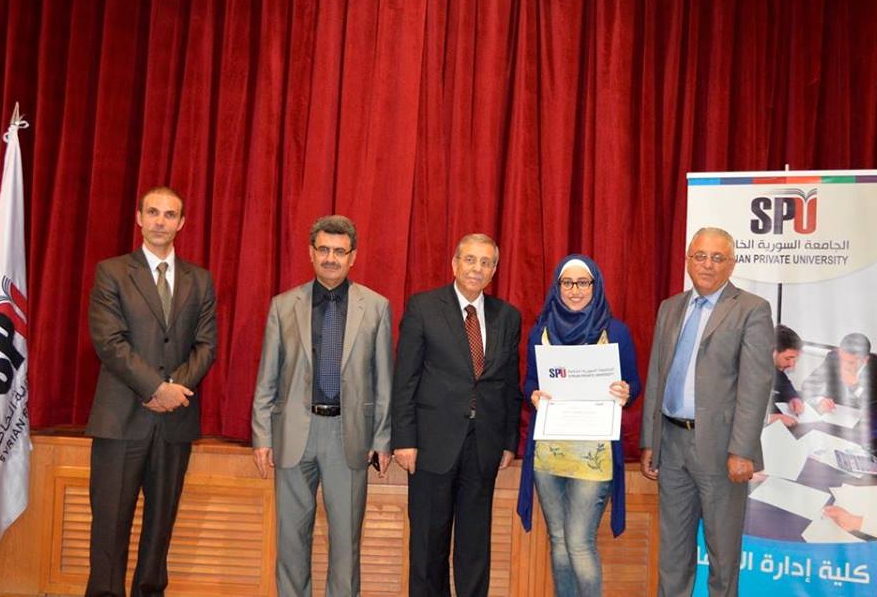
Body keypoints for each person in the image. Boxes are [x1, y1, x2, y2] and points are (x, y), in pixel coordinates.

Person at [250, 215, 392, 597]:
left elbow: (383, 380)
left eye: (339, 251)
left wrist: (382, 438)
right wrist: (261, 435)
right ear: (311, 253)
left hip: (349, 436)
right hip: (294, 434)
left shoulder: (376, 307)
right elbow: (267, 377)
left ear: (353, 257)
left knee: (346, 543)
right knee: (291, 541)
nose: (331, 258)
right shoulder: (283, 306)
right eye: (324, 250)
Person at [86, 186, 218, 597]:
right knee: (110, 524)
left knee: (160, 525)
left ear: (182, 223)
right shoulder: (111, 272)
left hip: (174, 422)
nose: (161, 221)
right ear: (139, 218)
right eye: (154, 212)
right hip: (120, 419)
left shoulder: (200, 280)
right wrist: (156, 388)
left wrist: (175, 390)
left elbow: (206, 345)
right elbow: (109, 341)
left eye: (170, 214)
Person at [640, 226, 774, 597]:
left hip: (721, 449)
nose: (708, 265)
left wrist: (742, 450)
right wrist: (650, 441)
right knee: (673, 554)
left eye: (718, 258)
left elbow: (755, 385)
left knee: (723, 555)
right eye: (700, 256)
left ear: (732, 264)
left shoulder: (752, 309)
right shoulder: (670, 307)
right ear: (688, 260)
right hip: (671, 443)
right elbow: (656, 376)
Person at [392, 233, 522, 597]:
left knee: (474, 546)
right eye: (470, 259)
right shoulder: (423, 307)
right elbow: (405, 378)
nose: (477, 268)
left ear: (494, 270)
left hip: (484, 446)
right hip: (432, 445)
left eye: (485, 262)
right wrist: (404, 439)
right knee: (428, 545)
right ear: (454, 263)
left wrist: (509, 441)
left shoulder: (507, 316)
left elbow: (509, 384)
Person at [515, 255, 642, 596]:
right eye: (567, 283)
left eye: (583, 283)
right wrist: (533, 394)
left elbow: (634, 383)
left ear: (595, 286)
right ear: (557, 286)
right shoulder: (540, 331)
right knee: (558, 541)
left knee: (579, 542)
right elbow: (529, 382)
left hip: (593, 453)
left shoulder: (615, 331)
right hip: (549, 451)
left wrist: (626, 391)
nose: (575, 290)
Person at [800, 332, 877, 455]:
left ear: (865, 360)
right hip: (835, 416)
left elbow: (876, 407)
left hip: (861, 426)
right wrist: (820, 400)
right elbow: (808, 384)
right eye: (842, 360)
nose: (844, 365)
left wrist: (855, 386)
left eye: (850, 362)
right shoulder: (833, 358)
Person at [767, 325, 805, 427]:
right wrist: (771, 418)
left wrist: (793, 398)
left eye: (795, 359)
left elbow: (784, 384)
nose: (792, 365)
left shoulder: (773, 367)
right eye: (788, 359)